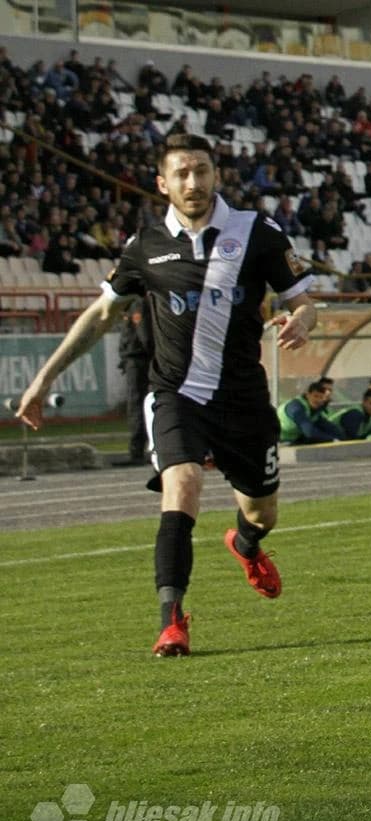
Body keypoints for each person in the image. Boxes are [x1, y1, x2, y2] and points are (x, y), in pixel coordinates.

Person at [17, 133, 317, 658]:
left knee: (262, 513)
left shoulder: (257, 232)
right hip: (178, 394)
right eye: (181, 173)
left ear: (216, 174)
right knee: (182, 485)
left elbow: (304, 301)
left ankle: (245, 544)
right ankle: (171, 622)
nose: (193, 182)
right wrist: (44, 379)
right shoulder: (145, 246)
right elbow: (101, 315)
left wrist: (302, 321)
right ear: (162, 183)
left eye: (201, 170)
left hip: (243, 400)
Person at [116, 296, 151, 465]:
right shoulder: (134, 304)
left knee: (136, 405)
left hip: (138, 361)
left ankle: (137, 452)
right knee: (138, 405)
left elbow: (143, 334)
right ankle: (138, 450)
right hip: (135, 360)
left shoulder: (138, 304)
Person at [278, 380, 344, 445]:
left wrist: (341, 438)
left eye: (321, 397)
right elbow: (309, 431)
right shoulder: (296, 407)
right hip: (279, 440)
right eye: (315, 396)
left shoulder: (314, 410)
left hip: (295, 439)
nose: (318, 400)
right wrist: (332, 440)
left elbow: (328, 426)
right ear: (308, 394)